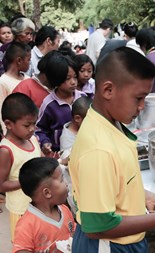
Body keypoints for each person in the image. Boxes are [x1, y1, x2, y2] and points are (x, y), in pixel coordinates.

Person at [68, 47, 155, 252]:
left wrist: (147, 196)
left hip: (125, 240)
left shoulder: (111, 124)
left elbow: (117, 183)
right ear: (108, 90)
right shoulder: (98, 149)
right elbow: (97, 227)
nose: (142, 106)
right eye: (138, 98)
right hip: (107, 245)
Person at [12, 157, 76, 252]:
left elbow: (73, 233)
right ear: (47, 193)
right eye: (62, 180)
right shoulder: (27, 225)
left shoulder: (65, 210)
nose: (66, 184)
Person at [0, 93, 41, 241]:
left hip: (39, 206)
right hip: (20, 209)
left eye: (34, 124)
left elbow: (39, 163)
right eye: (27, 125)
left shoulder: (34, 140)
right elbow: (1, 185)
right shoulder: (6, 150)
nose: (32, 129)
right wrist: (25, 182)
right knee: (23, 244)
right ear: (9, 124)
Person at [35, 53, 86, 155]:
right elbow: (39, 129)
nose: (73, 82)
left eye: (75, 77)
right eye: (68, 78)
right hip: (58, 153)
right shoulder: (49, 104)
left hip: (83, 149)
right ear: (56, 80)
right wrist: (45, 142)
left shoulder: (83, 97)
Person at [0, 42, 31, 131]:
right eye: (28, 59)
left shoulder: (28, 79)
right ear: (19, 61)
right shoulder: (3, 82)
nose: (30, 63)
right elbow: (1, 111)